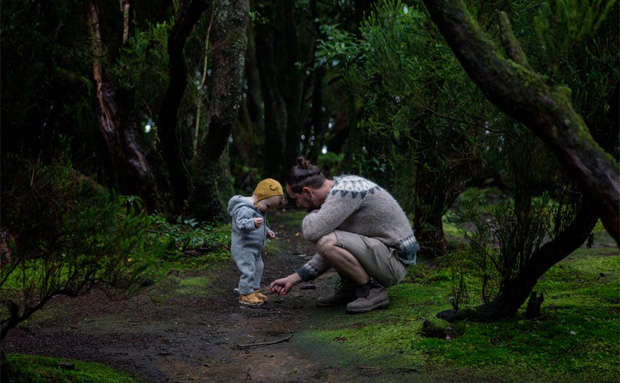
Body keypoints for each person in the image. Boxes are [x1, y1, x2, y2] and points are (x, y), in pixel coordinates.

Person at [269, 157, 419, 313]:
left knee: (326, 241)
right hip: (383, 256)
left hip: (393, 262)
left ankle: (372, 290)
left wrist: (313, 214)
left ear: (307, 192)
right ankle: (351, 288)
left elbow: (312, 232)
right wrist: (292, 279)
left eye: (296, 199)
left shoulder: (345, 191)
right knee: (329, 242)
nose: (298, 204)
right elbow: (331, 252)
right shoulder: (340, 191)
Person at [228, 178, 285, 306]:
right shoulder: (244, 209)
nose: (267, 210)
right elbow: (240, 224)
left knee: (259, 267)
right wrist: (252, 223)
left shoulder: (258, 208)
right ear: (259, 197)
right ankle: (245, 294)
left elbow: (261, 225)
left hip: (255, 248)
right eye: (268, 206)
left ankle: (254, 290)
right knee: (248, 270)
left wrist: (267, 231)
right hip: (244, 247)